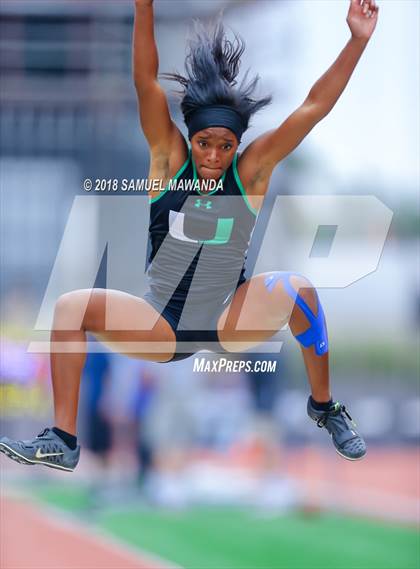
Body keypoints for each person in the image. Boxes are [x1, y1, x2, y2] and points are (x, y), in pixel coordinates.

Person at [0, 0, 378, 471]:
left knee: (298, 290)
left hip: (226, 319)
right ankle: (63, 437)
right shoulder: (167, 160)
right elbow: (145, 83)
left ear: (237, 145)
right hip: (162, 323)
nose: (215, 156)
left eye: (226, 146)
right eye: (205, 144)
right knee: (69, 307)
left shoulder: (252, 173)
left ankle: (324, 407)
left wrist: (356, 42)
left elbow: (313, 108)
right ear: (190, 138)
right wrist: (143, 6)